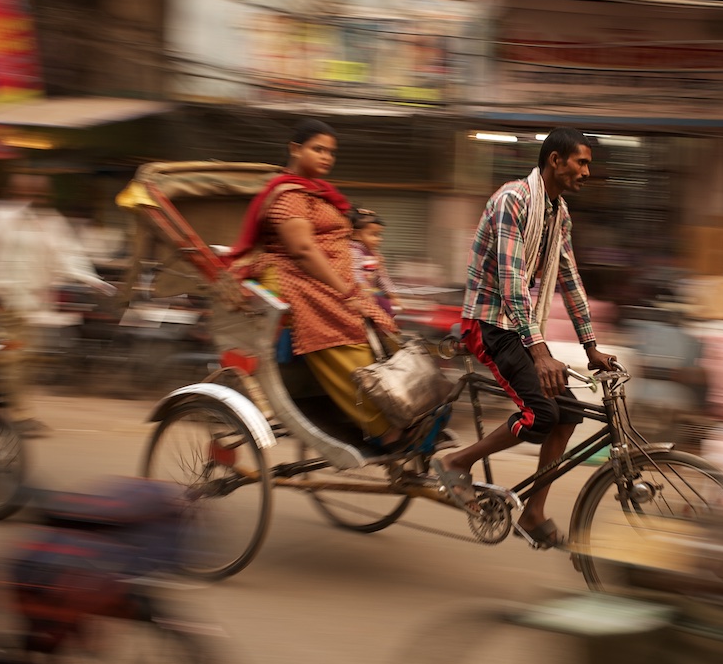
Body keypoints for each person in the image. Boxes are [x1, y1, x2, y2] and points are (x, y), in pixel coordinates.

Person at [432, 127, 617, 550]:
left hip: (518, 325)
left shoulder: (558, 213)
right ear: (555, 160)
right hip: (489, 322)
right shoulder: (513, 200)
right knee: (541, 415)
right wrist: (538, 351)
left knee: (568, 413)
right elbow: (513, 279)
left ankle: (533, 511)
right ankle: (457, 462)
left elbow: (569, 279)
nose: (588, 171)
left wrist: (591, 347)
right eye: (582, 162)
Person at [228, 120, 403, 446]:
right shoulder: (288, 196)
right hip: (299, 279)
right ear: (296, 149)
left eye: (331, 152)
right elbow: (303, 250)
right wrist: (344, 290)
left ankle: (403, 408)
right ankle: (381, 426)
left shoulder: (318, 193)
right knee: (341, 334)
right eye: (317, 149)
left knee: (383, 332)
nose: (326, 157)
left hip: (331, 279)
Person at [0, 171, 114, 437]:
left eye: (39, 193)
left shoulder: (49, 222)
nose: (34, 198)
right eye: (29, 191)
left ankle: (2, 414)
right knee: (5, 360)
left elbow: (67, 255)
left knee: (18, 361)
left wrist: (94, 281)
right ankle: (9, 415)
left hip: (27, 305)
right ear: (14, 191)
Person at [349, 207, 399, 318]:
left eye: (379, 234)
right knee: (383, 306)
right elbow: (354, 272)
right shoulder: (353, 251)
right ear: (355, 235)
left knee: (387, 305)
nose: (379, 239)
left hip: (370, 291)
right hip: (356, 292)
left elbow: (382, 276)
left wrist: (392, 295)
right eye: (374, 234)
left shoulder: (374, 255)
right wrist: (364, 289)